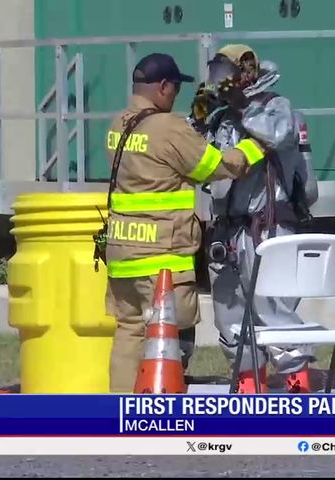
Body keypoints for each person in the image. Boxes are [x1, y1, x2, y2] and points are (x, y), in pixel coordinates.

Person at [103, 53, 263, 392]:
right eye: (175, 88)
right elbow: (214, 167)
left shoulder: (119, 124)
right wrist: (254, 148)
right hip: (161, 256)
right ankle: (162, 410)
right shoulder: (168, 127)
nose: (176, 95)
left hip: (122, 254)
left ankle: (120, 408)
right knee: (169, 336)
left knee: (130, 331)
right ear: (163, 86)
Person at [189, 44, 318, 394]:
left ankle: (297, 385)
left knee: (273, 309)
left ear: (246, 72)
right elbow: (195, 160)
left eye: (225, 74)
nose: (219, 81)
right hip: (226, 230)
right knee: (229, 313)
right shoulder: (221, 117)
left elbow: (278, 134)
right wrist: (198, 120)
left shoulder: (277, 107)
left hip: (268, 226)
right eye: (215, 74)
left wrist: (242, 105)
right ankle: (248, 383)